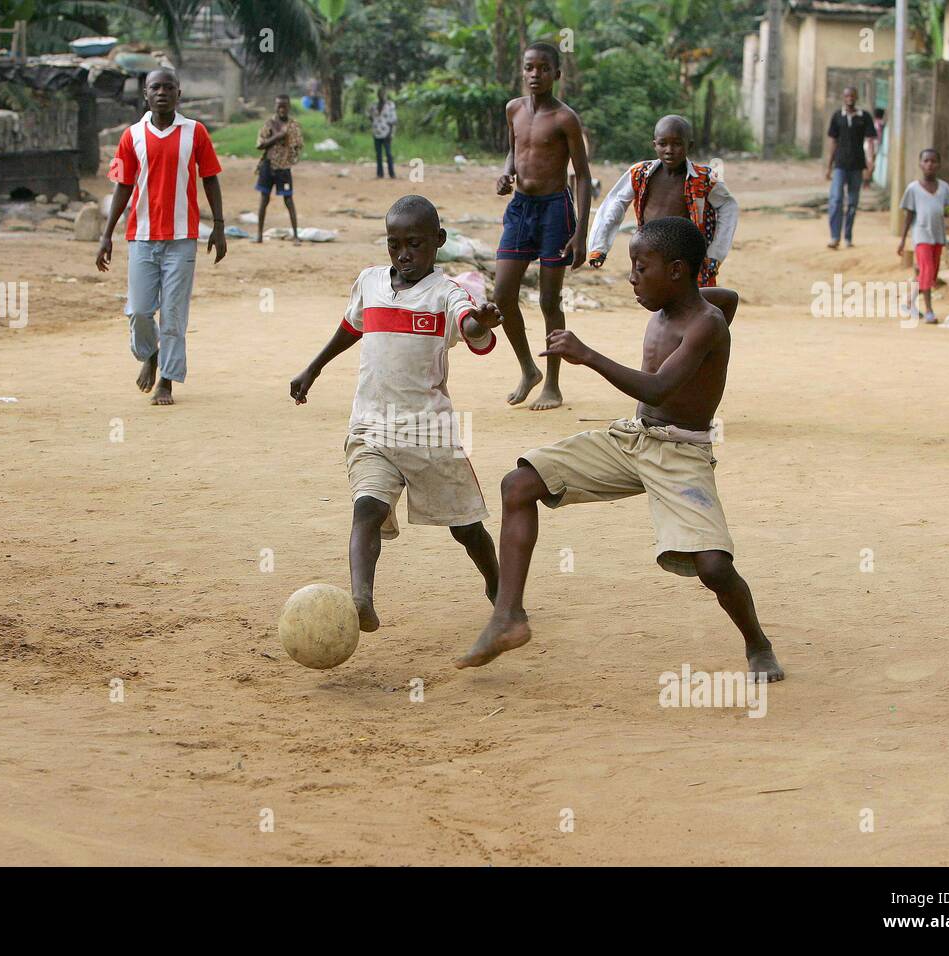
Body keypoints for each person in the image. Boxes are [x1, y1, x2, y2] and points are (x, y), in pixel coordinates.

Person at [456, 217, 783, 683]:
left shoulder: (705, 324)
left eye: (640, 267)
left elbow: (660, 386)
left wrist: (586, 355)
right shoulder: (692, 303)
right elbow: (724, 298)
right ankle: (508, 616)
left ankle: (758, 644)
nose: (631, 276)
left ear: (675, 271)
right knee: (519, 483)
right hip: (633, 439)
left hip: (681, 454)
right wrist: (705, 295)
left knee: (712, 566)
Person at [290, 195, 504, 632]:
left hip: (428, 432)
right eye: (394, 245)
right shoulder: (369, 282)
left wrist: (482, 321)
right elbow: (352, 327)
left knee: (466, 529)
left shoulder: (447, 294)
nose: (404, 254)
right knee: (366, 508)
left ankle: (498, 587)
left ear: (438, 241)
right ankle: (361, 599)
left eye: (415, 244)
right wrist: (312, 368)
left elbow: (470, 327)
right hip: (371, 425)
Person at [97, 69, 226, 406]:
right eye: (156, 87)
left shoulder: (195, 133)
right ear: (145, 94)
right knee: (139, 311)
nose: (162, 92)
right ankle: (150, 355)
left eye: (169, 87)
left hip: (183, 238)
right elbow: (122, 184)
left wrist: (220, 226)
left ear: (179, 94)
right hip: (140, 236)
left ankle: (166, 380)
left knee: (173, 313)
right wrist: (106, 234)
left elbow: (210, 178)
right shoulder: (131, 136)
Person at [493, 41, 592, 411]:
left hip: (555, 210)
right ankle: (527, 369)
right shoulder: (513, 109)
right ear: (522, 70)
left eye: (543, 69)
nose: (535, 75)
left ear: (556, 75)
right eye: (529, 68)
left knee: (549, 299)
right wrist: (506, 173)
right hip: (521, 208)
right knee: (502, 295)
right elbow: (513, 150)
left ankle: (552, 383)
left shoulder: (565, 118)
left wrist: (581, 230)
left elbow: (582, 175)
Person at [587, 114, 738, 288]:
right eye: (663, 144)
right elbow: (615, 203)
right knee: (656, 302)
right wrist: (599, 247)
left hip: (688, 257)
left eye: (677, 144)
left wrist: (715, 255)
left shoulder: (704, 179)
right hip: (651, 254)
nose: (669, 150)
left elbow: (728, 206)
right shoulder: (640, 174)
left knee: (694, 305)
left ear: (690, 145)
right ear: (654, 145)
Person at [897, 148, 949, 326]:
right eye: (926, 161)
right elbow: (909, 215)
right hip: (921, 234)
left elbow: (948, 210)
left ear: (939, 165)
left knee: (931, 274)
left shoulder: (945, 188)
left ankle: (909, 302)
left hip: (938, 235)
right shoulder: (913, 189)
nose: (929, 165)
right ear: (920, 164)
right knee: (927, 269)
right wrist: (902, 240)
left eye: (933, 161)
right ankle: (929, 311)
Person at [825, 86, 876, 249]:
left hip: (857, 165)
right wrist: (829, 166)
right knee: (836, 200)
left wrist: (870, 161)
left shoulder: (864, 117)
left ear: (857, 97)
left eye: (853, 96)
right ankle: (834, 237)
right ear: (843, 97)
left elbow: (870, 141)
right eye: (847, 95)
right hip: (840, 165)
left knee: (853, 203)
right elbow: (833, 142)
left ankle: (847, 237)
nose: (850, 98)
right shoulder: (837, 116)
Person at [254, 94, 303, 244]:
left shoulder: (293, 125)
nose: (282, 109)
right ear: (275, 107)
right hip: (268, 166)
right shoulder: (269, 124)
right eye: (279, 106)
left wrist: (289, 151)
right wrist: (277, 137)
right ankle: (259, 235)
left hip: (284, 168)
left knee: (288, 200)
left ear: (289, 107)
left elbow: (298, 145)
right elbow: (260, 144)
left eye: (284, 106)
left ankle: (295, 235)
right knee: (264, 200)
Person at [369, 88, 397, 179]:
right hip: (376, 132)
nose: (381, 95)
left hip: (386, 133)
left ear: (386, 95)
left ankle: (392, 173)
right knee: (378, 154)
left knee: (388, 153)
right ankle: (380, 174)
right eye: (380, 93)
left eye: (383, 94)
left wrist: (390, 133)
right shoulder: (373, 105)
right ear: (377, 95)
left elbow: (393, 121)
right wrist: (375, 124)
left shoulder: (390, 105)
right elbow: (370, 117)